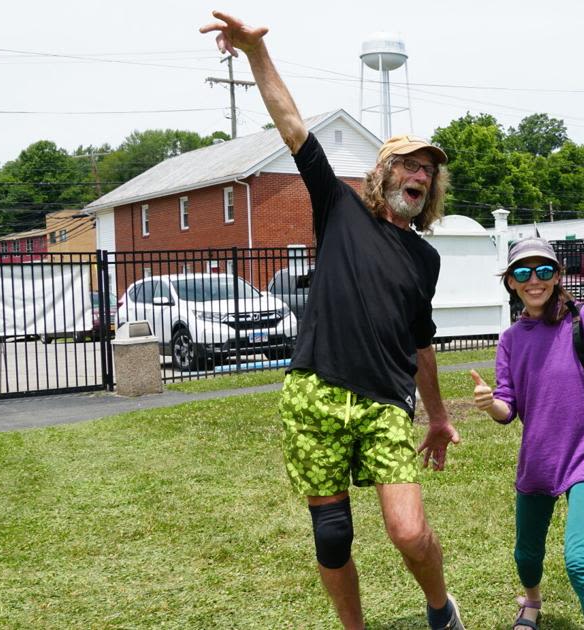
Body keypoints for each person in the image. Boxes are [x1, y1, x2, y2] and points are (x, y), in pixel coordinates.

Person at [199, 12, 464, 630]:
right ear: (383, 173)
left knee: (408, 530)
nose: (418, 175)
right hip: (315, 392)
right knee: (333, 535)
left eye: (427, 170)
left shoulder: (425, 256)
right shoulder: (339, 207)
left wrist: (441, 415)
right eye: (408, 165)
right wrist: (256, 55)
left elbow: (420, 341)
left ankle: (439, 606)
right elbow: (292, 125)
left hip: (384, 404)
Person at [471, 237, 584, 630]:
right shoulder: (510, 341)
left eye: (544, 270)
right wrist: (490, 404)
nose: (534, 279)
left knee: (580, 560)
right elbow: (507, 409)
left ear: (557, 276)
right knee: (526, 556)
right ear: (511, 283)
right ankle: (532, 601)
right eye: (523, 272)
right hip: (537, 460)